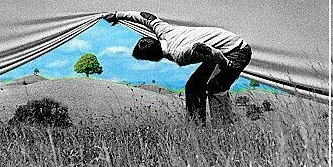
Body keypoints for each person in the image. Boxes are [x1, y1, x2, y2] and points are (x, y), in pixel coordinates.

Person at [103, 11, 251, 126]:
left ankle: (224, 130)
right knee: (193, 86)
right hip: (223, 45)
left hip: (236, 51)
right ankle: (197, 127)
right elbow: (145, 16)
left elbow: (206, 50)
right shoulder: (164, 31)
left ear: (153, 58)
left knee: (215, 87)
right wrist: (117, 15)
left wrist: (226, 65)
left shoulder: (179, 54)